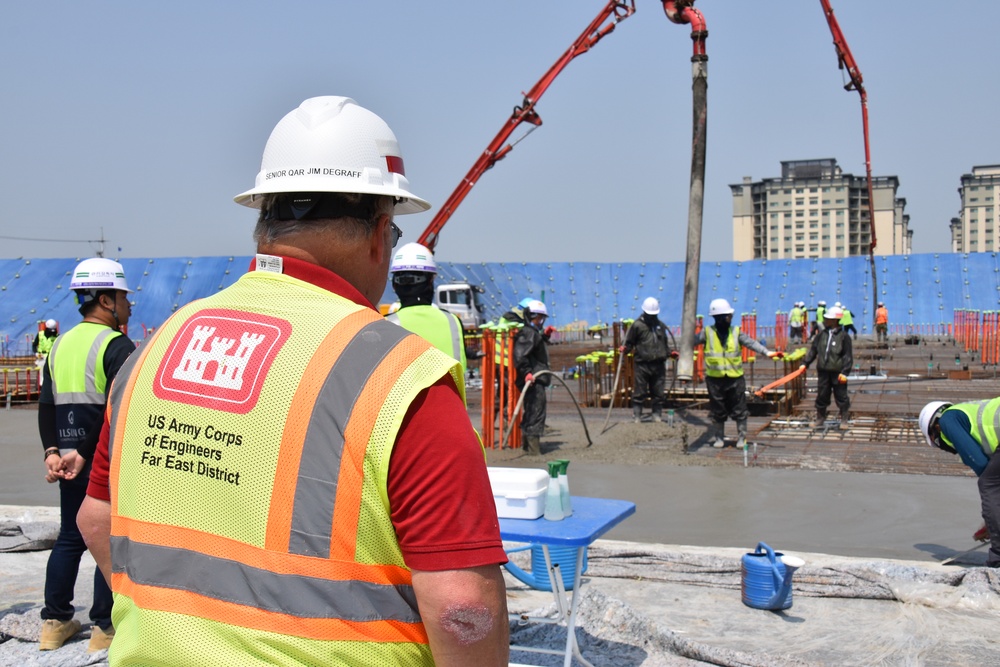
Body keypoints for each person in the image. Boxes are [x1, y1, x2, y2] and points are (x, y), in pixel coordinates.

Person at [77, 96, 509, 665]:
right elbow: (461, 608)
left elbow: (97, 519)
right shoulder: (404, 380)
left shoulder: (153, 349)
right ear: (381, 234)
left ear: (264, 222)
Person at [37, 258, 135, 652]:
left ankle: (54, 622)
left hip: (66, 456)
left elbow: (46, 404)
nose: (130, 305)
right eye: (124, 297)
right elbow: (116, 405)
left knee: (71, 536)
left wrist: (53, 451)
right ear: (106, 299)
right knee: (106, 534)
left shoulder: (60, 344)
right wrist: (84, 451)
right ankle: (103, 627)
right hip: (100, 457)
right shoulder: (117, 345)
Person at [920, 399, 1000, 567]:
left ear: (935, 428)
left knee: (988, 484)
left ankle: (998, 559)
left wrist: (992, 521)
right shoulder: (968, 413)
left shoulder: (947, 419)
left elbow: (980, 464)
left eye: (937, 442)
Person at [694, 298, 778, 449]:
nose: (731, 318)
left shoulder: (736, 332)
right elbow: (689, 342)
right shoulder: (707, 333)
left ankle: (742, 438)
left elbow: (751, 343)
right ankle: (719, 438)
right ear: (719, 318)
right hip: (715, 379)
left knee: (739, 409)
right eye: (728, 315)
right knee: (717, 410)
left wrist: (767, 352)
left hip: (735, 378)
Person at [386, 242, 467, 393]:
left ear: (395, 285)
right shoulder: (453, 322)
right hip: (452, 411)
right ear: (431, 280)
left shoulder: (386, 325)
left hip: (406, 416)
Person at [620, 297, 677, 423]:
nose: (652, 317)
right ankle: (637, 416)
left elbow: (664, 345)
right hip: (642, 365)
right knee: (639, 392)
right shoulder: (637, 326)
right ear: (644, 312)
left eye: (654, 315)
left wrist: (670, 353)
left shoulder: (660, 326)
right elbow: (629, 343)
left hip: (658, 364)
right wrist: (625, 349)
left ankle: (656, 415)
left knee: (658, 393)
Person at [799, 305, 852, 429]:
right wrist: (805, 363)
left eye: (828, 318)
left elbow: (847, 356)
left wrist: (845, 372)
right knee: (822, 395)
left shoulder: (844, 337)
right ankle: (820, 418)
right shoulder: (821, 335)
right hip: (823, 372)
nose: (825, 320)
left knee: (841, 396)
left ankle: (844, 419)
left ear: (834, 320)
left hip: (837, 373)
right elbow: (813, 351)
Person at [514, 299, 555, 455]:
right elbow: (520, 355)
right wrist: (527, 373)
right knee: (536, 412)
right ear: (530, 317)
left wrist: (545, 336)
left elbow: (534, 349)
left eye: (541, 318)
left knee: (531, 411)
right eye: (538, 318)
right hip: (533, 380)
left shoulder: (532, 333)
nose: (540, 321)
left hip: (535, 379)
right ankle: (533, 450)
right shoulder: (528, 333)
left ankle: (528, 447)